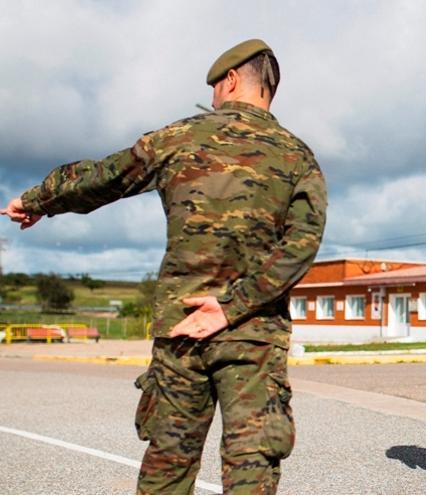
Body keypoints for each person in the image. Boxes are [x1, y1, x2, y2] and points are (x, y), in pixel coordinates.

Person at [0, 39, 327, 494]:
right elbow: (302, 245)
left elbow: (103, 176)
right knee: (251, 469)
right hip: (254, 333)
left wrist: (36, 200)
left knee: (168, 468)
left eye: (214, 87)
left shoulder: (180, 138)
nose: (212, 98)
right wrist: (232, 308)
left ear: (230, 80)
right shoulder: (298, 156)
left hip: (181, 330)